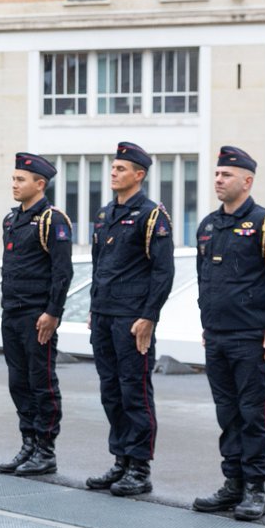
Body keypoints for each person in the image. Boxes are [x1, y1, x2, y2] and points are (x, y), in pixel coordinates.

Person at [192, 146, 265, 522]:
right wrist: (206, 324)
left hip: (253, 336)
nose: (218, 180)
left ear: (247, 181)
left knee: (252, 413)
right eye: (217, 174)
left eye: (226, 175)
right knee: (227, 413)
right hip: (218, 336)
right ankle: (232, 484)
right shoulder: (208, 225)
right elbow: (205, 280)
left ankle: (255, 489)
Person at [86, 142, 175, 497]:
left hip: (132, 319)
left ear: (139, 175)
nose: (113, 172)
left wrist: (149, 316)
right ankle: (121, 459)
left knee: (134, 392)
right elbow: (99, 266)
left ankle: (140, 466)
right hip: (105, 315)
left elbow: (163, 271)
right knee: (111, 391)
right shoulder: (105, 213)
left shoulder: (152, 216)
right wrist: (94, 309)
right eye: (113, 167)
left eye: (121, 169)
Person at [0, 154, 73, 476]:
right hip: (11, 311)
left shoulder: (52, 220)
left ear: (40, 184)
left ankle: (46, 448)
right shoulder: (11, 220)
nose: (14, 184)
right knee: (19, 382)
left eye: (21, 180)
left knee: (41, 382)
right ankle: (28, 442)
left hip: (36, 316)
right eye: (13, 179)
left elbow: (62, 272)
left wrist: (52, 313)